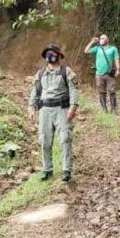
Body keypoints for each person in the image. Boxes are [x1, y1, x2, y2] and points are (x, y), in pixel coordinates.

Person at [29, 44, 80, 182]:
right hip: (44, 110)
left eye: (52, 53)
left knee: (65, 139)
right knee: (44, 140)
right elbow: (35, 91)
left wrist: (73, 108)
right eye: (47, 53)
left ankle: (66, 170)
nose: (49, 55)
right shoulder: (40, 73)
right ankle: (47, 170)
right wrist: (32, 108)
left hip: (62, 109)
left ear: (58, 55)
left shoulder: (66, 71)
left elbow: (74, 90)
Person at [84, 34, 120, 113]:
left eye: (103, 38)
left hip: (110, 74)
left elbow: (116, 59)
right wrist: (92, 42)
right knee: (101, 92)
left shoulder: (113, 48)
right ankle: (104, 109)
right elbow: (86, 51)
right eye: (100, 38)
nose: (101, 40)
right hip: (99, 74)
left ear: (107, 40)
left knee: (112, 91)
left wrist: (118, 69)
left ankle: (113, 109)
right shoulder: (97, 48)